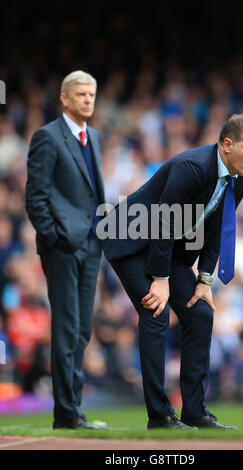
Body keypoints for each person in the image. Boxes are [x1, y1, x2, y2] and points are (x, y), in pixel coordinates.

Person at [100, 114, 243, 429]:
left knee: (200, 313)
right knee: (156, 311)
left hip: (168, 247)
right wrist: (160, 281)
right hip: (130, 238)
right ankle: (160, 415)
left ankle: (195, 412)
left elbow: (220, 224)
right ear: (227, 145)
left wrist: (204, 279)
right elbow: (162, 222)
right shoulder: (193, 167)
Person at [25, 71, 106, 430]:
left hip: (91, 245)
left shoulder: (95, 138)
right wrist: (56, 238)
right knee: (67, 327)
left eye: (91, 94)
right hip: (64, 247)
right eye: (81, 94)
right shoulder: (47, 137)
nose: (88, 99)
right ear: (64, 98)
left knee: (82, 330)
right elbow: (35, 197)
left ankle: (73, 409)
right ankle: (67, 412)